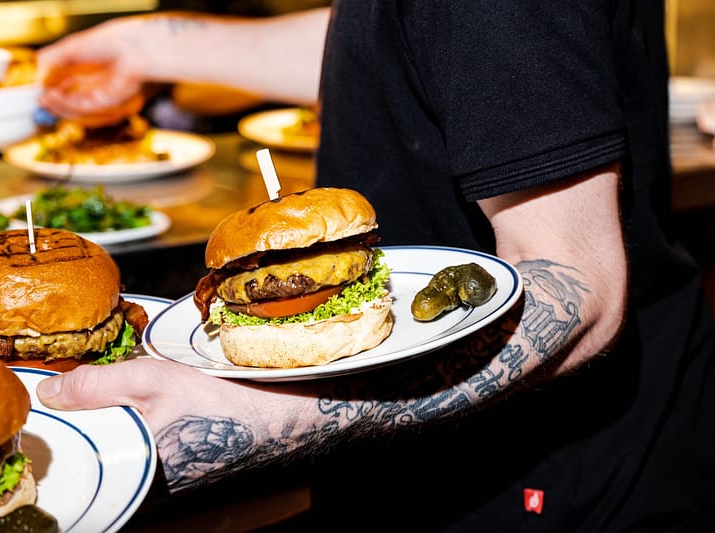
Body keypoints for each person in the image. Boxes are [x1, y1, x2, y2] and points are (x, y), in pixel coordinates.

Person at [35, 2, 715, 529]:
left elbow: (579, 286)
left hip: (548, 469)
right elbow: (391, 37)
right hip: (440, 456)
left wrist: (263, 412)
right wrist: (147, 46)